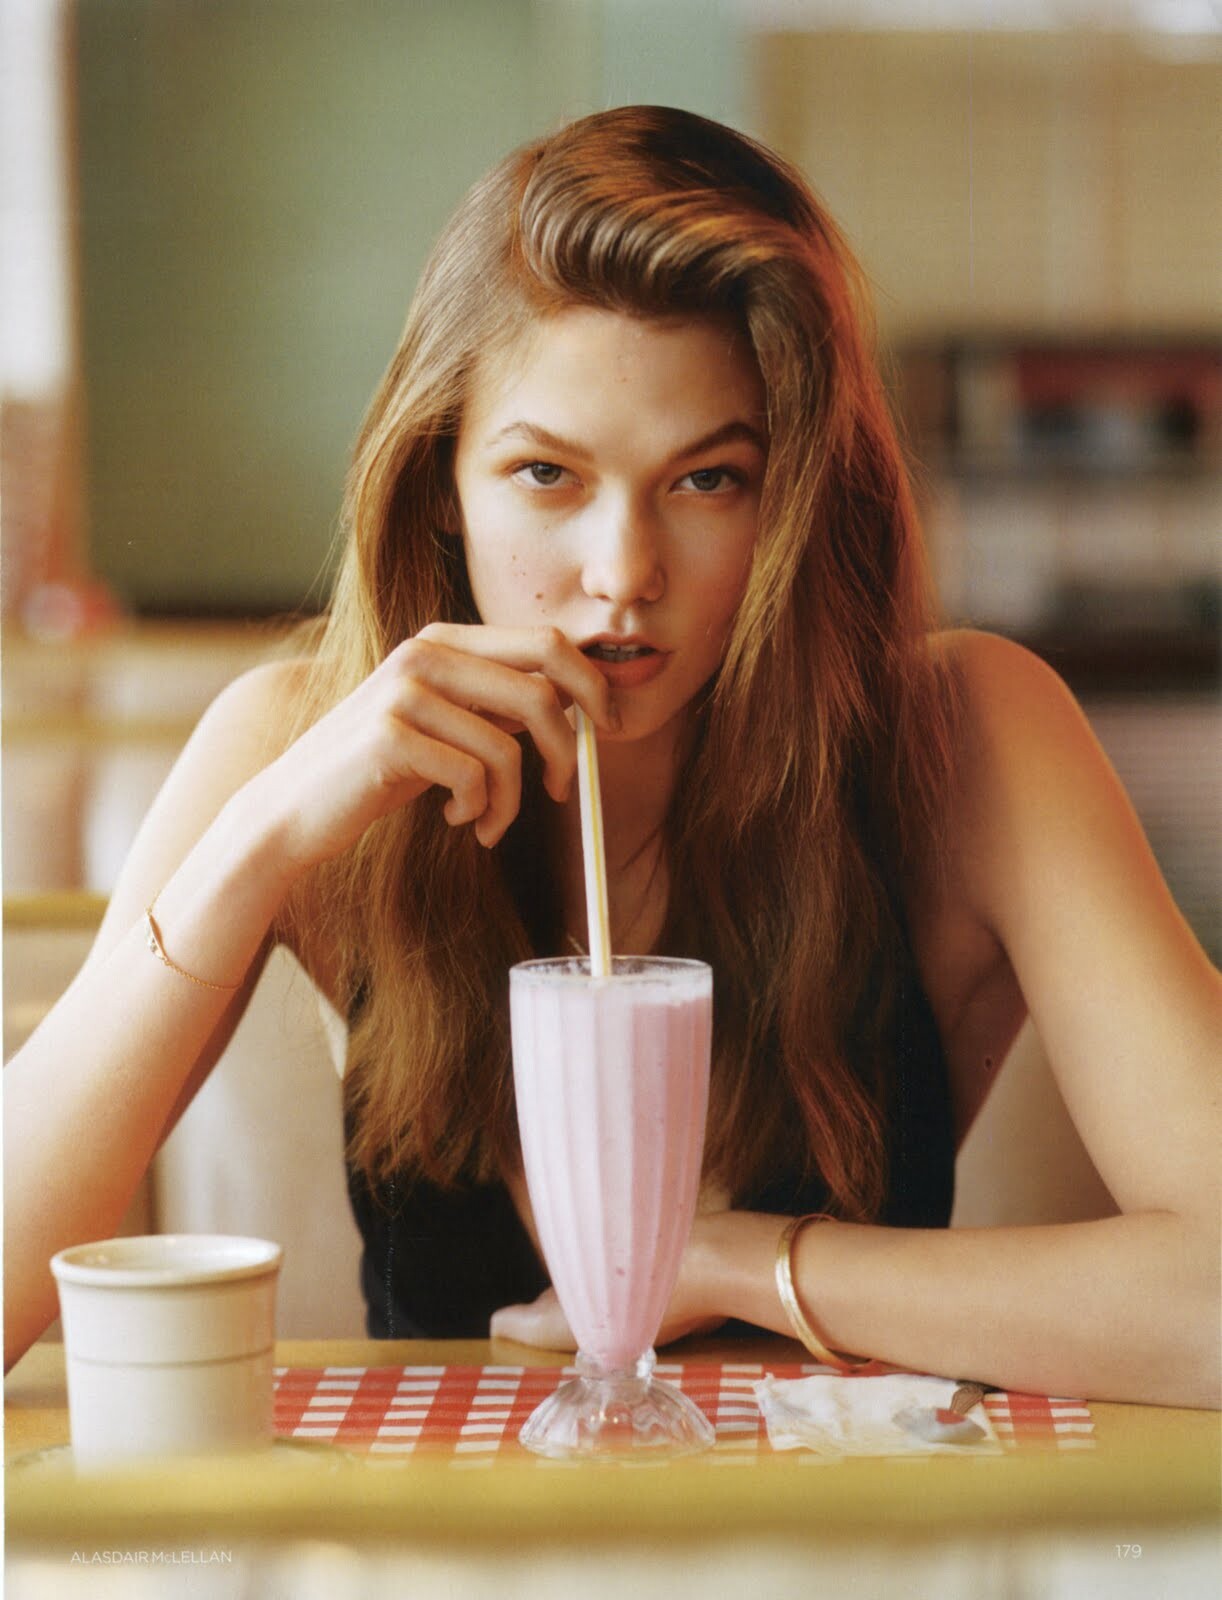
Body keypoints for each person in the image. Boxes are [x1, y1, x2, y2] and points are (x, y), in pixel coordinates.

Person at [5, 107, 1218, 1405]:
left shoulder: (965, 739)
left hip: (840, 1522)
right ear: (441, 484)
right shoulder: (291, 748)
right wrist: (251, 849)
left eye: (708, 480)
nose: (622, 573)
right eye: (546, 475)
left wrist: (743, 1265)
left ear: (796, 497)